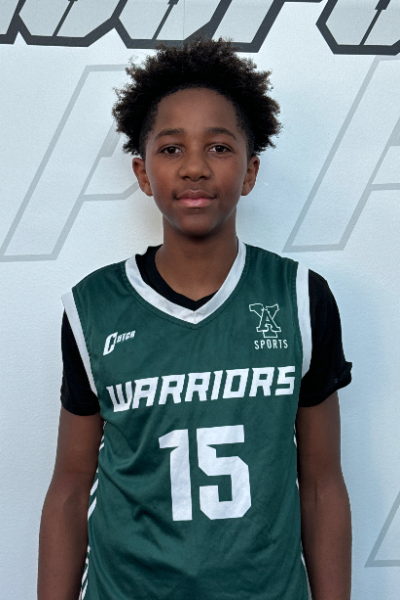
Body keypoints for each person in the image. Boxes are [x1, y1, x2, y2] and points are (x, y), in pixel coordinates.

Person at [38, 38, 352, 600]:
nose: (195, 167)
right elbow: (69, 487)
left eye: (219, 147)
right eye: (171, 148)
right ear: (142, 173)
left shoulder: (300, 298)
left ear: (250, 171)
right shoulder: (93, 307)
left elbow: (322, 484)